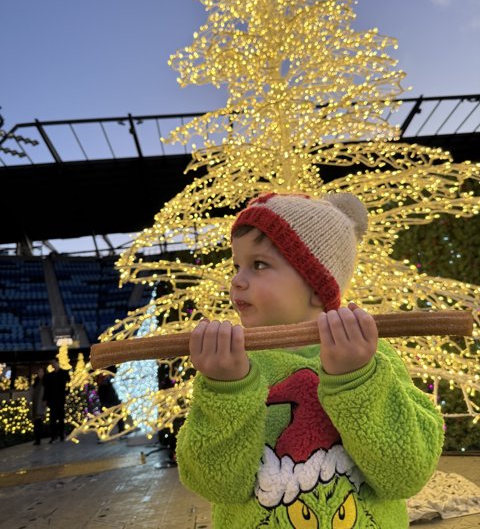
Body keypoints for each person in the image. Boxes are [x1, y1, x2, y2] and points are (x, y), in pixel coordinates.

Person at [176, 192, 444, 529]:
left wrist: (357, 379)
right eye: (237, 265)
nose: (236, 280)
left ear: (318, 286)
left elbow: (406, 473)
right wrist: (226, 391)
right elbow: (215, 484)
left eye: (259, 264)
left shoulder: (369, 356)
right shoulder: (232, 367)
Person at [43, 358, 69, 442]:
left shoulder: (64, 373)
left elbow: (68, 384)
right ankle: (54, 436)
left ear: (57, 363)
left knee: (61, 418)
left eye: (54, 362)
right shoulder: (50, 376)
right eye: (52, 363)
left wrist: (66, 393)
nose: (53, 364)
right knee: (52, 419)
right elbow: (47, 388)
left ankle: (61, 434)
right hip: (52, 400)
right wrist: (46, 399)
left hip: (60, 399)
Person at [29, 367, 46, 445]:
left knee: (39, 422)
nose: (40, 373)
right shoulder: (36, 382)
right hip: (35, 404)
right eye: (39, 372)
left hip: (41, 404)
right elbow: (31, 392)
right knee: (36, 423)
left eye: (41, 372)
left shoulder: (45, 381)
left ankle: (39, 439)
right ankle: (37, 439)